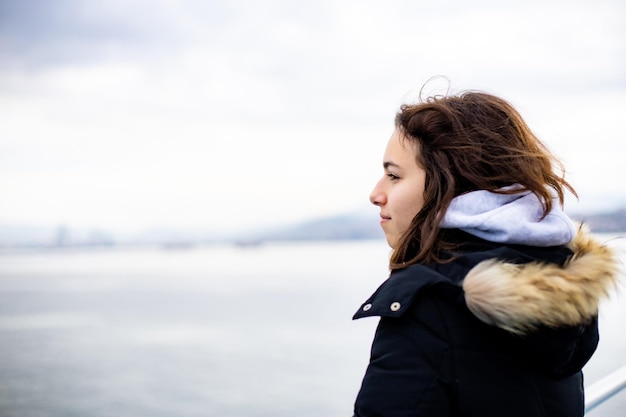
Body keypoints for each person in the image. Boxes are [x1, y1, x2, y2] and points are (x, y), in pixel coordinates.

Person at [352, 89, 619, 417]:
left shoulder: (432, 306)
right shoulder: (556, 282)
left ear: (450, 186)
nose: (376, 194)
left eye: (394, 175)